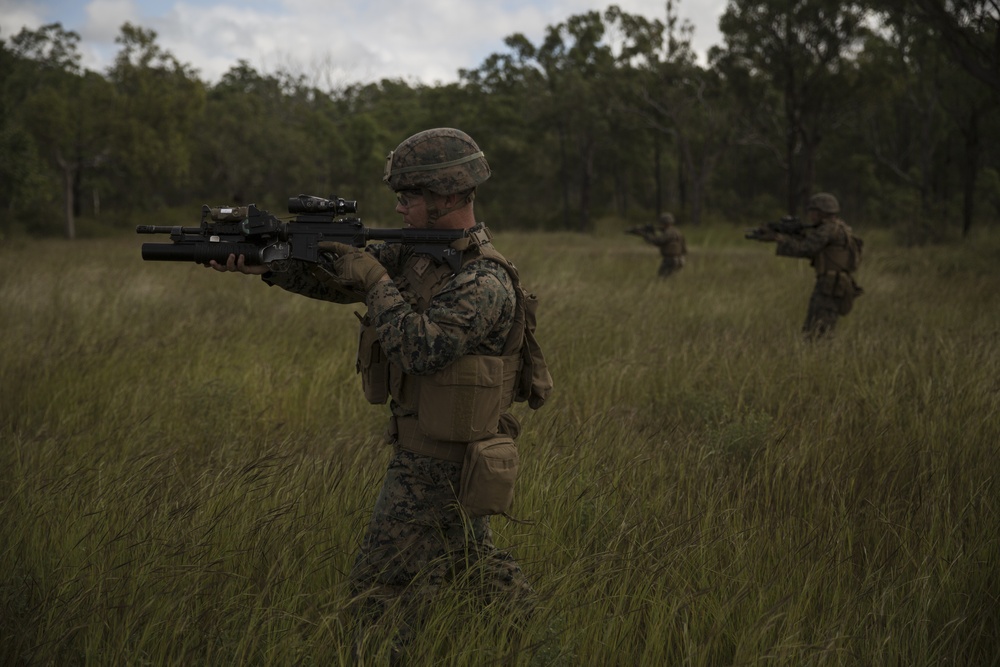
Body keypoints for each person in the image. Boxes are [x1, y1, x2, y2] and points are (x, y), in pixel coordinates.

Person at [208, 128, 546, 659]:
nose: (400, 205)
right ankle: (539, 647)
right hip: (434, 452)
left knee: (379, 594)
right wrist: (270, 266)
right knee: (472, 565)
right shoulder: (421, 257)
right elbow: (338, 278)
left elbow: (421, 350)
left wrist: (375, 282)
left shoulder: (482, 280)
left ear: (451, 197)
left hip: (440, 463)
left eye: (410, 196)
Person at [765, 192, 864, 338]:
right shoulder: (840, 227)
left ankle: (819, 357)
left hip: (830, 285)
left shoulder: (828, 229)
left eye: (812, 212)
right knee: (817, 328)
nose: (810, 216)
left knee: (818, 331)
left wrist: (780, 239)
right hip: (835, 284)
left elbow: (807, 248)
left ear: (821, 213)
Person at [631, 213, 687, 278]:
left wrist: (645, 235)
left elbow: (658, 241)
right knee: (673, 279)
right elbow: (684, 248)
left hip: (671, 259)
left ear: (665, 223)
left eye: (662, 223)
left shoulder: (669, 232)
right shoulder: (677, 231)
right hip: (680, 259)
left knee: (662, 278)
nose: (661, 225)